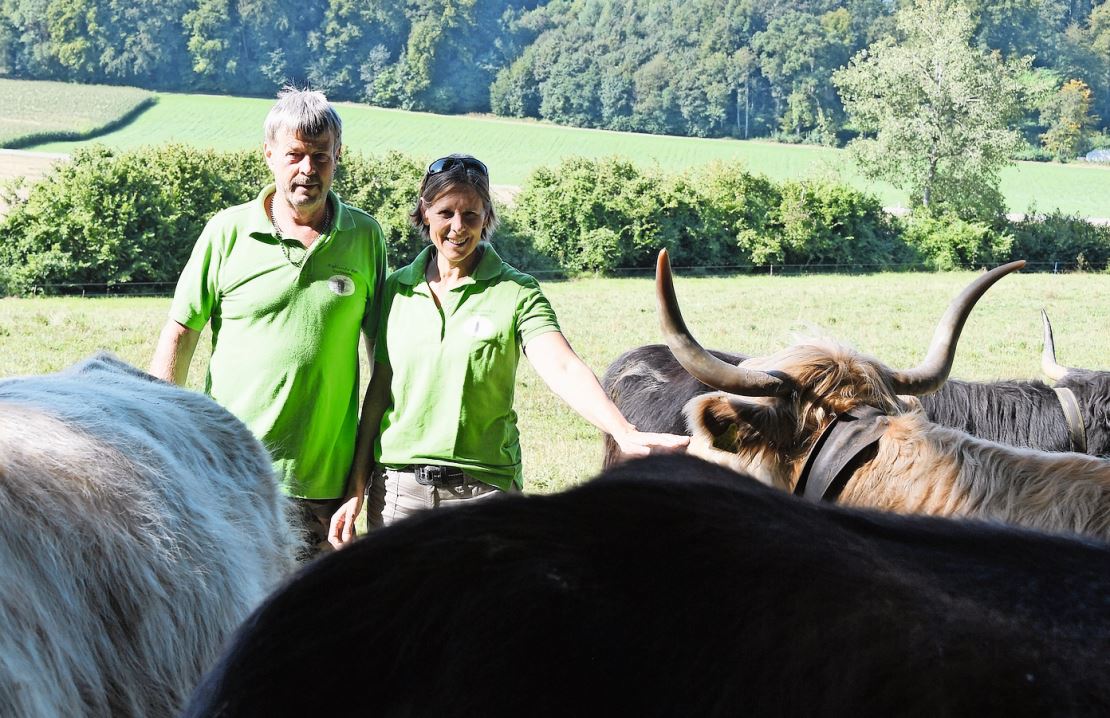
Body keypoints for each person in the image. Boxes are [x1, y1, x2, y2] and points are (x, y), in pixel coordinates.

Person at [328, 154, 687, 545]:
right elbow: (379, 393)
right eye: (446, 212)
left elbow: (562, 367)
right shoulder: (395, 290)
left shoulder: (516, 292)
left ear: (487, 217)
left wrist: (623, 431)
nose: (458, 228)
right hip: (398, 495)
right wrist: (357, 488)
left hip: (483, 493)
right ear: (424, 212)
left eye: (472, 215)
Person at [150, 87, 387, 556]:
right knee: (232, 619)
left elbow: (384, 359)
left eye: (321, 156)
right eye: (295, 154)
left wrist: (361, 475)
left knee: (313, 619)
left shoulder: (364, 236)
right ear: (269, 155)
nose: (307, 170)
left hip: (325, 481)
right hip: (230, 472)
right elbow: (180, 335)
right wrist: (163, 443)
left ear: (339, 157)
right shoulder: (227, 231)